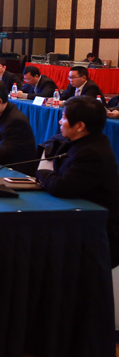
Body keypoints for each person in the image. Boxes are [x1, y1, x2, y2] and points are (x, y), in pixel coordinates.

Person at [36, 97, 119, 267]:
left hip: (96, 233)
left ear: (80, 126)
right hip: (79, 220)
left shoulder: (92, 153)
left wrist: (43, 173)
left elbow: (62, 187)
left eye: (64, 118)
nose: (60, 122)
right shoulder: (81, 142)